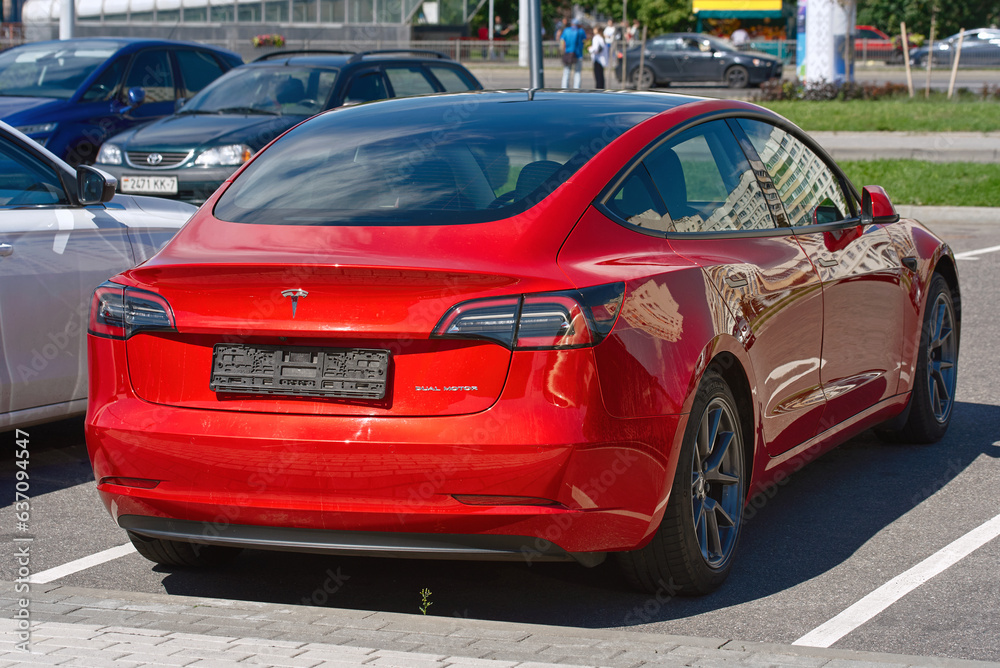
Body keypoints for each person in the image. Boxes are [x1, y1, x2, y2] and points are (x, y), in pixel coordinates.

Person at [560, 18, 586, 89]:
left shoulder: (566, 31)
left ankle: (564, 88)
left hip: (568, 54)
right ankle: (576, 88)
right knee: (577, 73)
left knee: (566, 72)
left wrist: (562, 50)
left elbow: (562, 41)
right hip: (578, 54)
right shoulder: (581, 31)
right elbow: (584, 40)